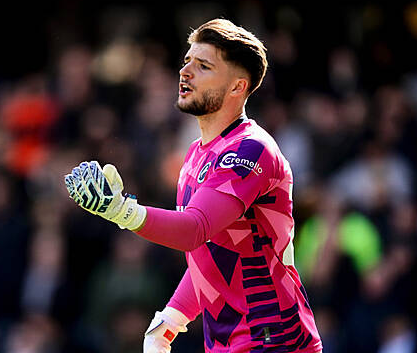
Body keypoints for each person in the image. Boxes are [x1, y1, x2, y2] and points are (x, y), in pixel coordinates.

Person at [65, 18, 322, 353]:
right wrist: (172, 319)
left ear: (236, 87)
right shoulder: (194, 155)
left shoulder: (250, 149)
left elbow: (194, 230)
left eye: (203, 66)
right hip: (230, 343)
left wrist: (121, 210)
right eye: (187, 61)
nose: (185, 72)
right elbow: (212, 255)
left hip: (273, 339)